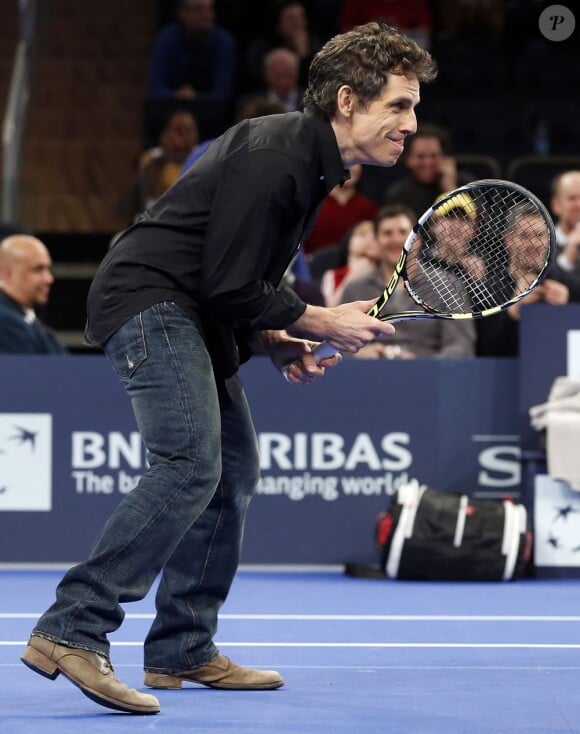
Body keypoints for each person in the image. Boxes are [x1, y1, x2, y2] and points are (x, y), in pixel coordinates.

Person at [20, 22, 436, 715]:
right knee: (188, 464)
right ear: (345, 101)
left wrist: (276, 337)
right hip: (151, 303)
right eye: (398, 105)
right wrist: (318, 318)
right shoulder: (278, 156)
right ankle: (72, 627)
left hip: (193, 311)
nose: (410, 124)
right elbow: (227, 277)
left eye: (413, 107)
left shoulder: (307, 163)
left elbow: (233, 281)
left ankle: (183, 646)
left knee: (231, 469)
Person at [340, 204, 476, 358]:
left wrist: (421, 365)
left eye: (403, 232)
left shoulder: (448, 285)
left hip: (429, 377)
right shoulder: (356, 289)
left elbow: (461, 346)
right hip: (369, 375)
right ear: (376, 241)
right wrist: (359, 356)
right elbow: (339, 345)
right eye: (387, 233)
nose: (396, 240)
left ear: (418, 238)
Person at [476, 206, 574, 357]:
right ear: (508, 239)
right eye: (525, 236)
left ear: (549, 238)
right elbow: (483, 351)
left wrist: (567, 310)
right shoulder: (487, 289)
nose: (533, 244)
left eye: (539, 235)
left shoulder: (568, 285)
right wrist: (513, 312)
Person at [147, 0, 236, 103]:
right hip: (171, 106)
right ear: (183, 13)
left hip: (210, 110)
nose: (206, 15)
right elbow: (155, 89)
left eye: (210, 9)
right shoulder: (166, 39)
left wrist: (195, 97)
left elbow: (222, 92)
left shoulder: (224, 42)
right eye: (199, 9)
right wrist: (178, 95)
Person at [382, 123, 472, 219]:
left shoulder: (467, 185)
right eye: (420, 156)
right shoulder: (397, 194)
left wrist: (450, 189)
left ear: (445, 157)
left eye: (434, 156)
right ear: (408, 160)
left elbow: (481, 226)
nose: (428, 162)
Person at [0, 235, 68, 354]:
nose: (49, 279)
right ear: (7, 274)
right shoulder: (5, 322)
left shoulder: (25, 318)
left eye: (48, 269)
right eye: (38, 269)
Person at [304, 163, 379, 254]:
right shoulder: (312, 205)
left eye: (355, 163)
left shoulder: (369, 208)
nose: (349, 168)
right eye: (343, 162)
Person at [137, 110, 199, 212]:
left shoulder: (205, 156)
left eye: (188, 130)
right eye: (178, 130)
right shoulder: (151, 157)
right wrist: (169, 154)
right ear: (165, 133)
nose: (183, 136)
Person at [320, 220, 379, 306]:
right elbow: (329, 308)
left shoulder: (384, 274)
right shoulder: (332, 275)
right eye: (362, 234)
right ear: (349, 239)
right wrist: (351, 276)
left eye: (374, 238)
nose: (369, 240)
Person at [551, 171, 580, 278]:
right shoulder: (541, 244)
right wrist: (567, 258)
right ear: (556, 205)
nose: (579, 205)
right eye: (572, 198)